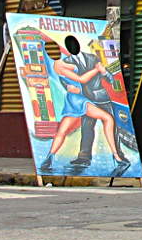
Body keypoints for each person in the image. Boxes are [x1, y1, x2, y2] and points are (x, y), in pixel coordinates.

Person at [39, 37, 131, 177]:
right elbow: (81, 79)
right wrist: (97, 69)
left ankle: (49, 158)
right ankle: (111, 158)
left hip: (90, 98)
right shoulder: (61, 64)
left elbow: (99, 76)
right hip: (81, 100)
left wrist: (104, 72)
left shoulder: (78, 60)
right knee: (103, 121)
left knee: (63, 130)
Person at [63, 37, 115, 171]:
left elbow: (110, 78)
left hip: (102, 98)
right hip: (87, 100)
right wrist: (67, 86)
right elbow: (66, 80)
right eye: (69, 45)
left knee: (111, 127)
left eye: (73, 44)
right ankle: (84, 157)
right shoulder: (66, 62)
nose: (72, 47)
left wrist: (103, 72)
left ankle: (117, 155)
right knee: (86, 129)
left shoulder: (92, 58)